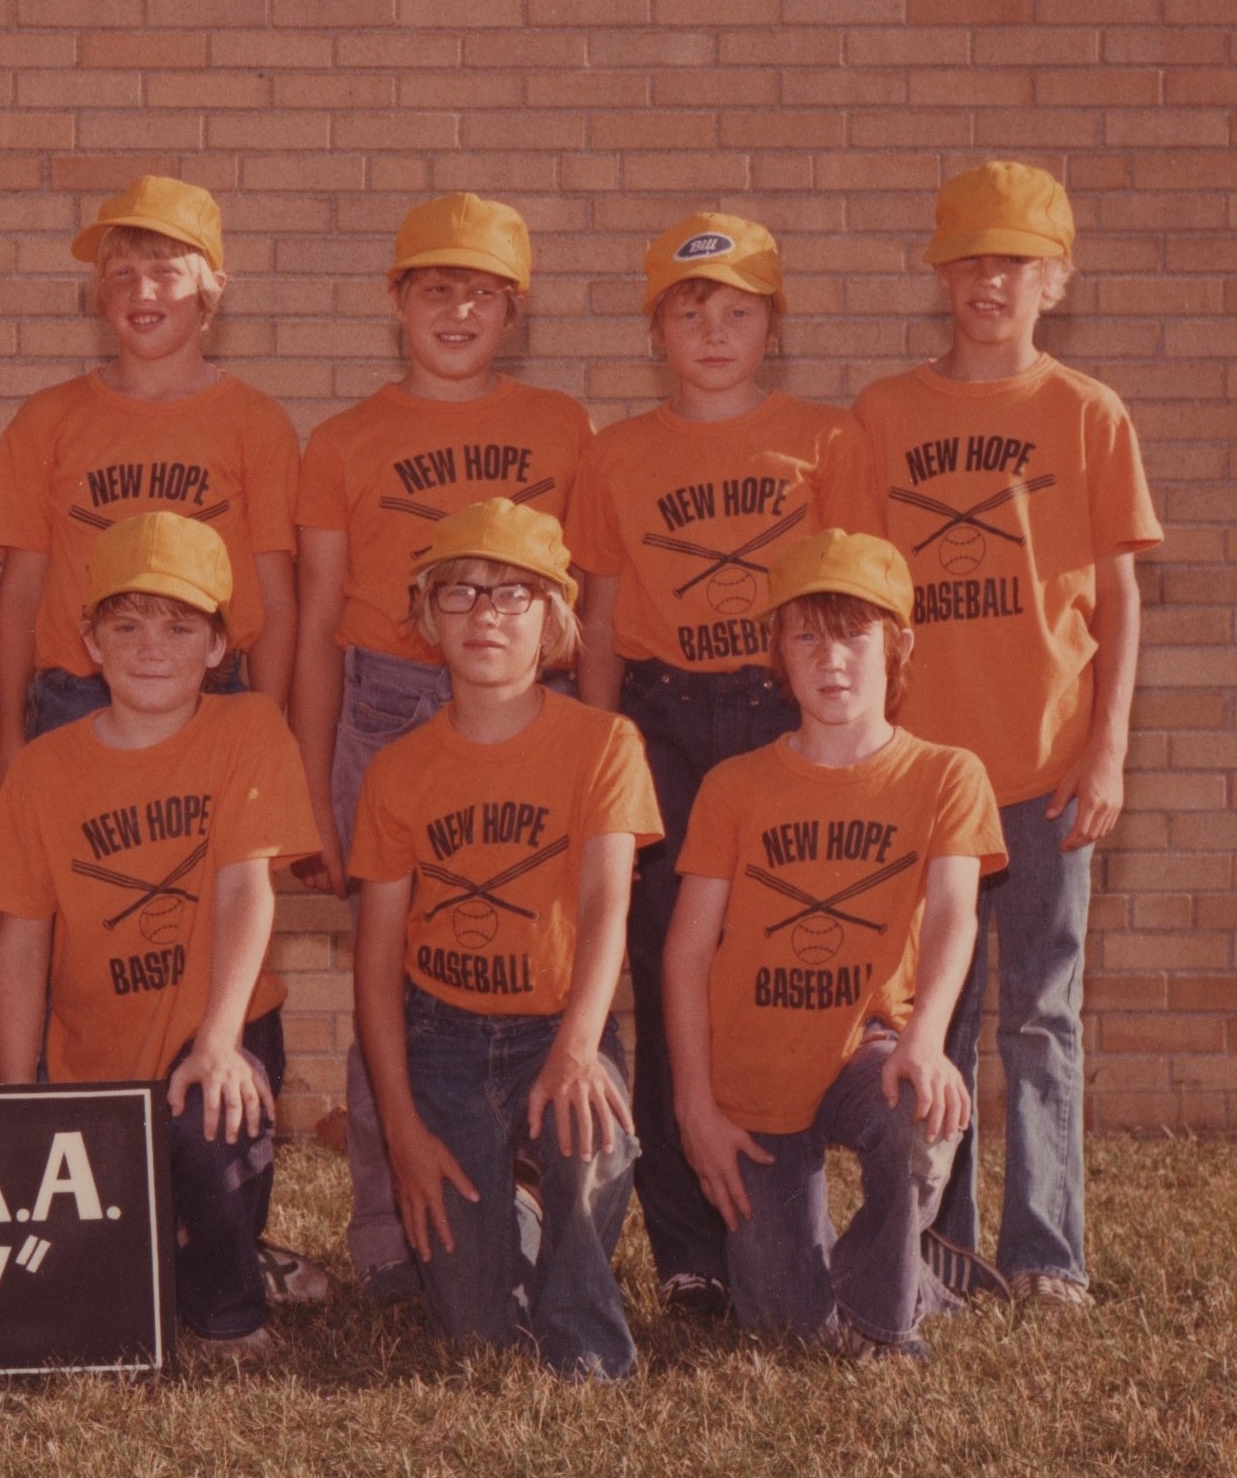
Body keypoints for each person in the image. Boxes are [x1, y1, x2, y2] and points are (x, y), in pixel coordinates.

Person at [853, 163, 1161, 1308]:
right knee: (927, 1012)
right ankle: (941, 1243)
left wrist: (1110, 745)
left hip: (1043, 767)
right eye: (971, 260)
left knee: (1038, 1014)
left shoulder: (1087, 412)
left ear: (1056, 281)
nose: (991, 281)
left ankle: (1046, 1253)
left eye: (1016, 263)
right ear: (941, 274)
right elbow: (861, 597)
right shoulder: (885, 414)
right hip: (927, 779)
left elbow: (1122, 597)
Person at [288, 191, 595, 1307]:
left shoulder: (564, 429)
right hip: (389, 705)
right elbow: (320, 623)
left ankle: (536, 1223)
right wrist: (313, 789)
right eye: (433, 289)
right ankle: (391, 1238)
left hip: (528, 707)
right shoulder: (345, 440)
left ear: (512, 310)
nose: (456, 310)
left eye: (480, 292)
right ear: (397, 303)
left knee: (521, 959)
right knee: (394, 986)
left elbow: (591, 600)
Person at [563, 213, 871, 1318]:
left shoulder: (827, 444)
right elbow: (598, 620)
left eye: (738, 312)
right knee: (666, 968)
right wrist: (601, 755)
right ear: (658, 329)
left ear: (771, 327)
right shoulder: (615, 454)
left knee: (782, 957)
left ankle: (806, 1221)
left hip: (781, 706)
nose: (714, 331)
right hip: (663, 719)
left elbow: (855, 616)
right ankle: (689, 1245)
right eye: (690, 312)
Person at [0, 513, 325, 1360]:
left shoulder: (248, 730)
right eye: (126, 625)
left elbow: (248, 886)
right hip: (93, 1060)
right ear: (90, 640)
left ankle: (229, 1313)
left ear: (218, 646)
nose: (150, 647)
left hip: (218, 1027)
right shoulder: (42, 768)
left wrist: (217, 1040)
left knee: (213, 1111)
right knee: (90, 1291)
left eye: (179, 627)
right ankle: (197, 1240)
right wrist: (13, 1087)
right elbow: (20, 938)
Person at [663, 530, 1003, 1357]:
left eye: (854, 633)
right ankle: (911, 1280)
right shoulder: (734, 785)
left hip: (869, 1049)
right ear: (777, 649)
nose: (832, 658)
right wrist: (695, 1105)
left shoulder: (945, 774)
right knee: (791, 1329)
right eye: (807, 633)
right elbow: (685, 952)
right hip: (754, 1080)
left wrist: (926, 1037)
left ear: (898, 645)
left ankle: (891, 1320)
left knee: (920, 1114)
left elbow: (957, 911)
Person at [348, 500, 660, 1377]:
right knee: (472, 1333)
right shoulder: (399, 768)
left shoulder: (604, 743)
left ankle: (582, 1323)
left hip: (560, 1019)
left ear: (555, 619)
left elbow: (607, 910)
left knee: (591, 1130)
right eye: (461, 592)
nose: (486, 613)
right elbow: (376, 966)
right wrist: (401, 1132)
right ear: (425, 615)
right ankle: (509, 1226)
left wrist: (576, 1051)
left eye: (514, 593)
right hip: (442, 1034)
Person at [0, 176, 300, 752]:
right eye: (123, 274)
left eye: (165, 273)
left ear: (212, 289)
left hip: (215, 693)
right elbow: (20, 593)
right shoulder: (47, 420)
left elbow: (276, 596)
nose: (143, 292)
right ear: (101, 293)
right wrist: (8, 731)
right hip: (75, 698)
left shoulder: (256, 423)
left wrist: (268, 720)